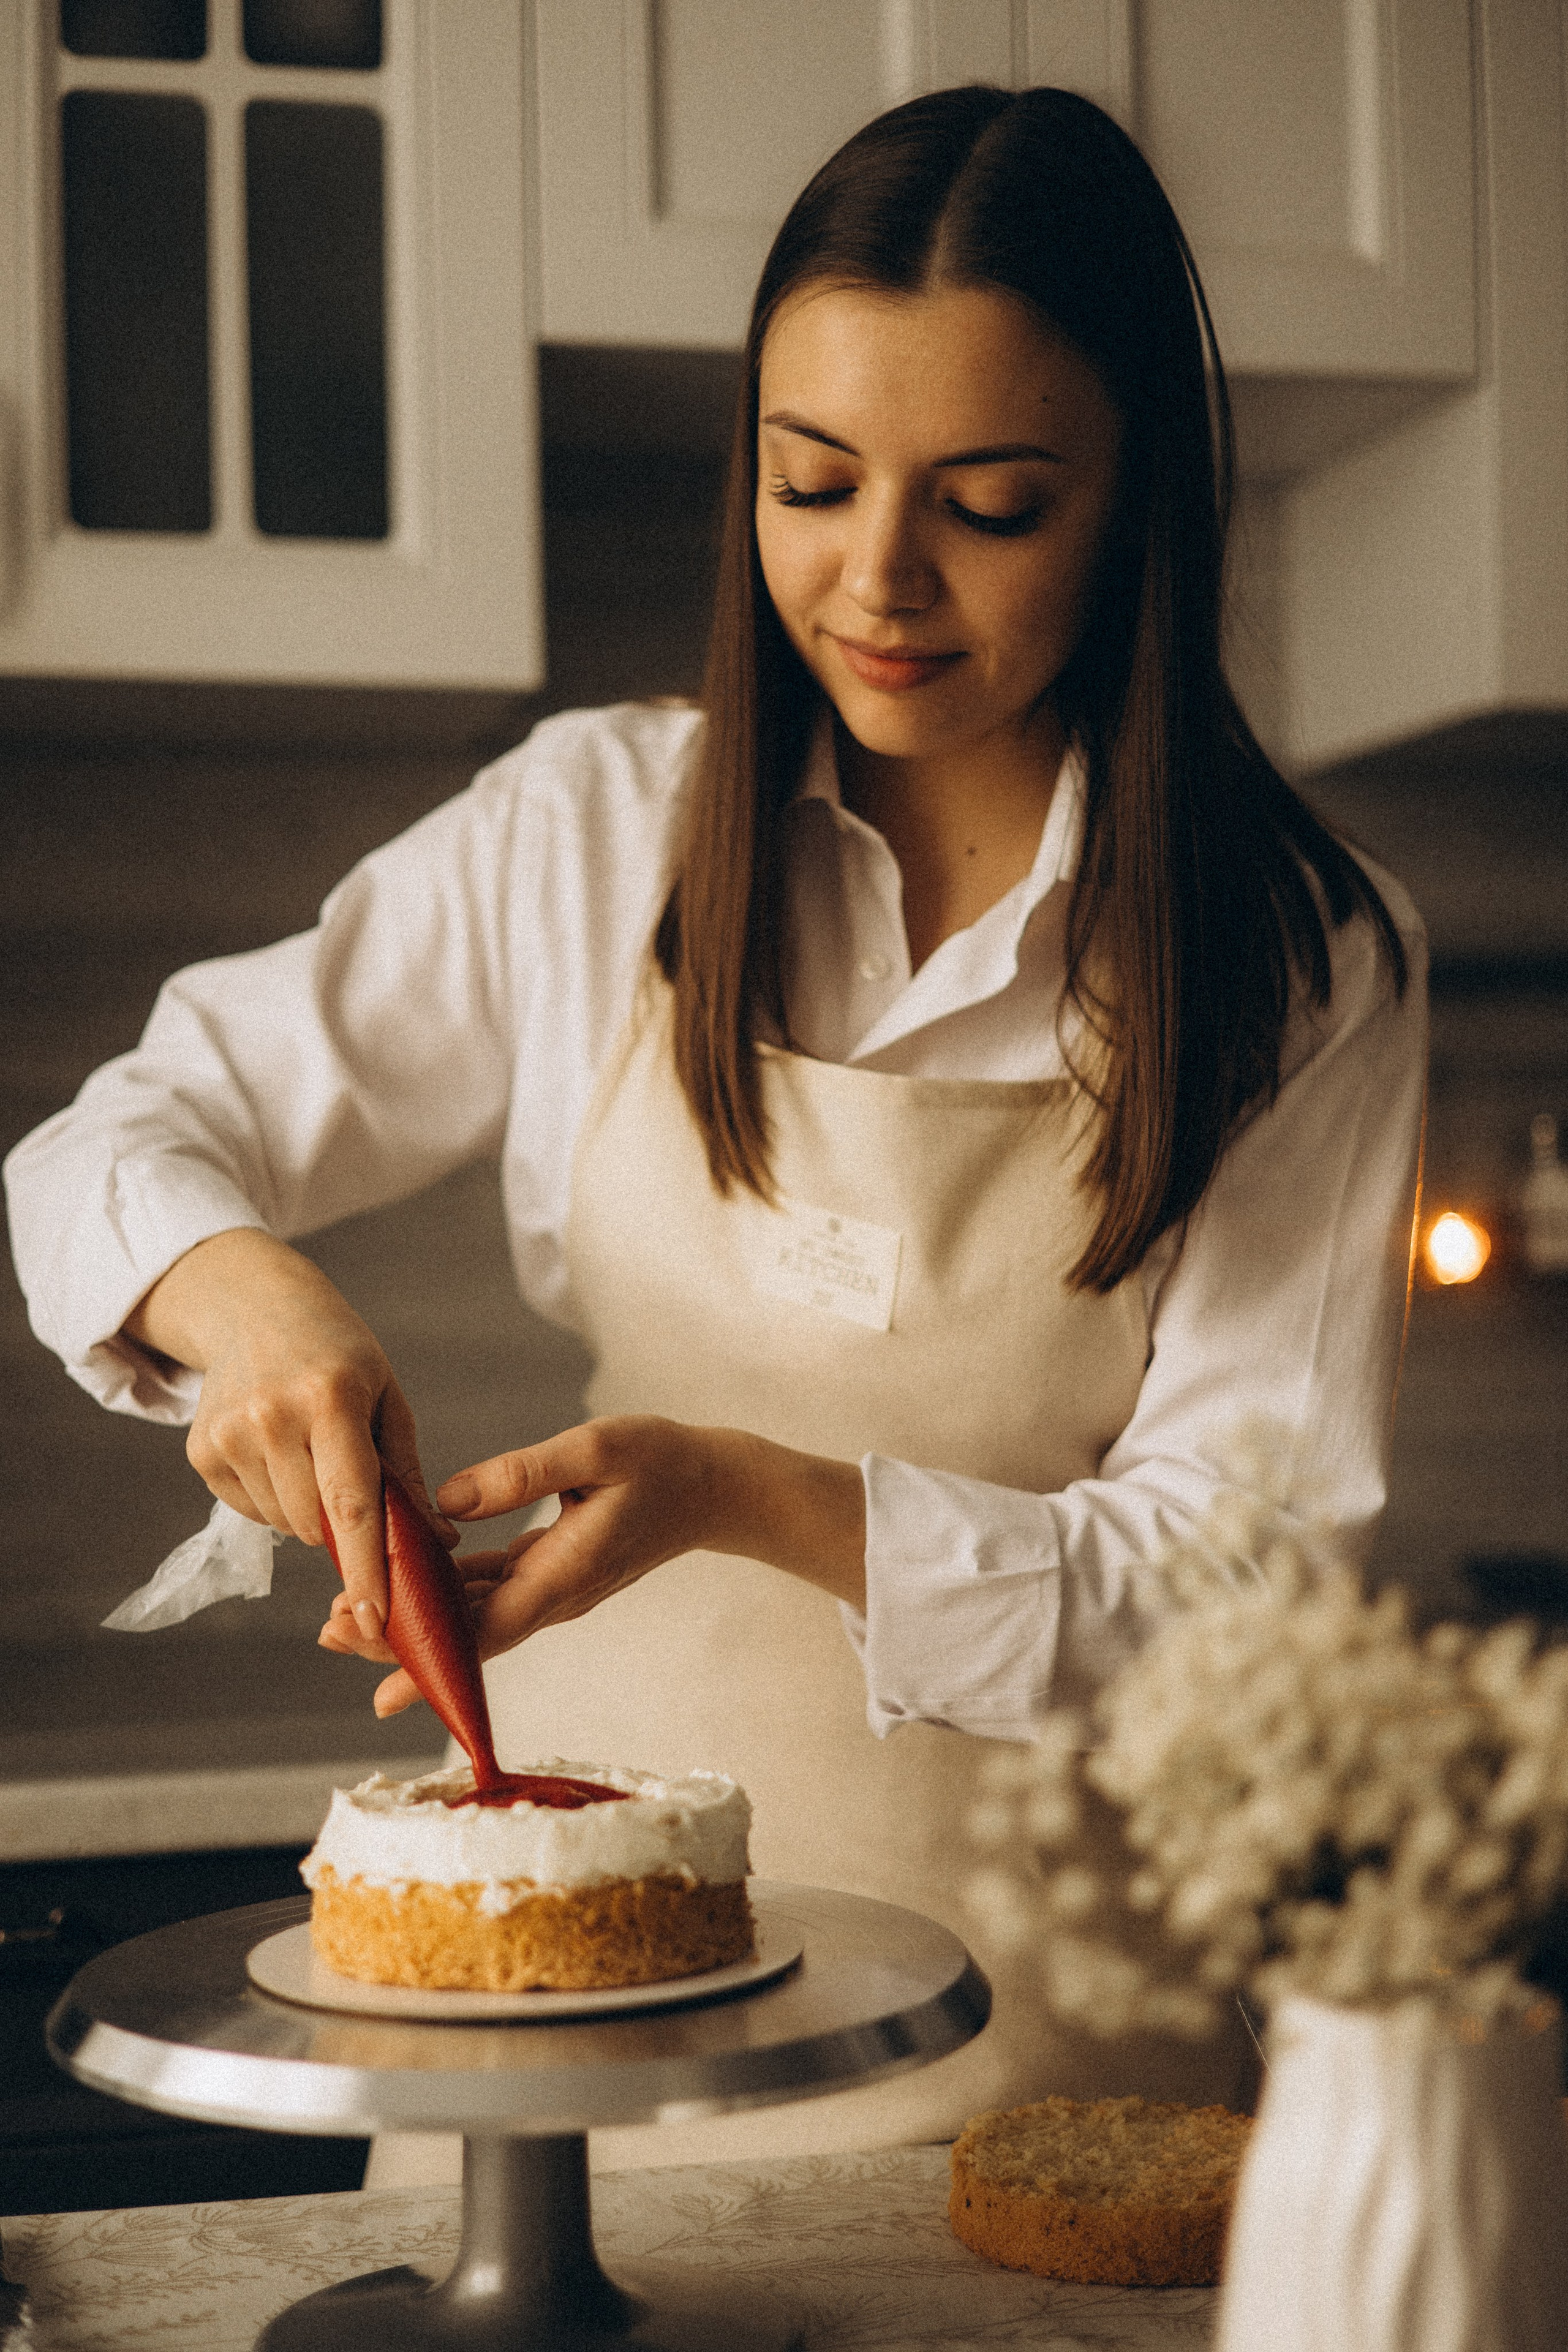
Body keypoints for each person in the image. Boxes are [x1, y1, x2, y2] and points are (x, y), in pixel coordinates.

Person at [6, 87, 1425, 2161]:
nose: (878, 580)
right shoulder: (593, 831)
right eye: (810, 481)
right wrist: (239, 1300)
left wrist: (754, 1494)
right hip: (573, 2069)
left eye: (994, 504)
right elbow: (111, 1139)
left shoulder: (1304, 960)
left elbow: (1248, 1592)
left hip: (1058, 2065)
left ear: (1137, 501)